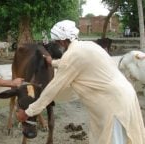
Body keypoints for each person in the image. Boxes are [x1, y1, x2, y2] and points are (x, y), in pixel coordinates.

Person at [16, 20, 145, 144]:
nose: (56, 45)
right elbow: (74, 63)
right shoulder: (89, 45)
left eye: (56, 42)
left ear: (62, 41)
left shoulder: (70, 56)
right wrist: (53, 62)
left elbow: (52, 90)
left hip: (113, 105)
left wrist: (28, 112)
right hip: (126, 95)